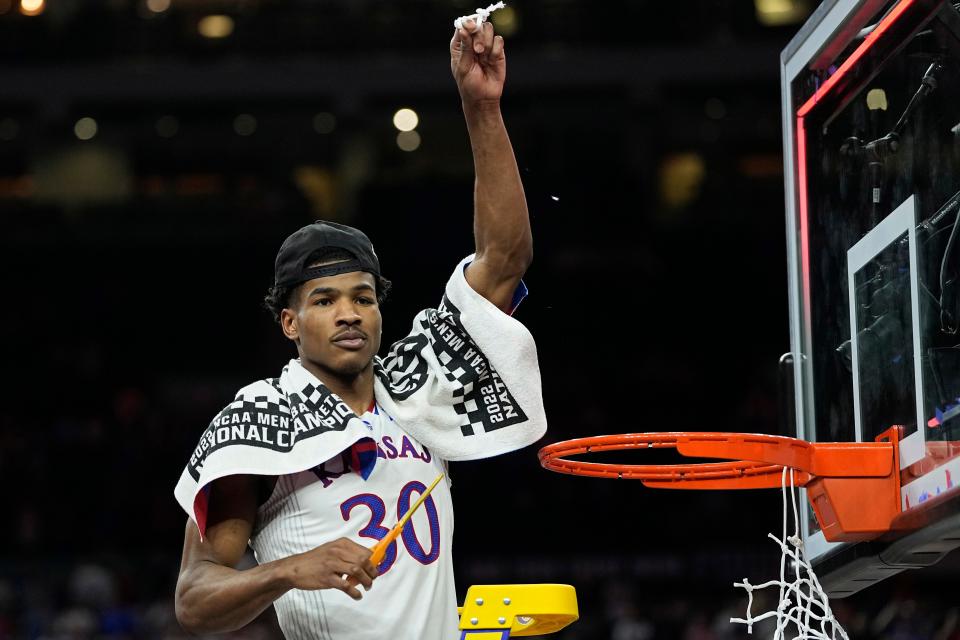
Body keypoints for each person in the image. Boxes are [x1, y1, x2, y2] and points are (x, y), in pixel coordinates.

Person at [173, 18, 547, 640]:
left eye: (363, 297)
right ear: (290, 322)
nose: (349, 312)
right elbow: (194, 599)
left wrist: (481, 108)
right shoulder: (257, 420)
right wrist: (290, 570)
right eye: (324, 300)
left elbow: (504, 258)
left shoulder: (421, 386)